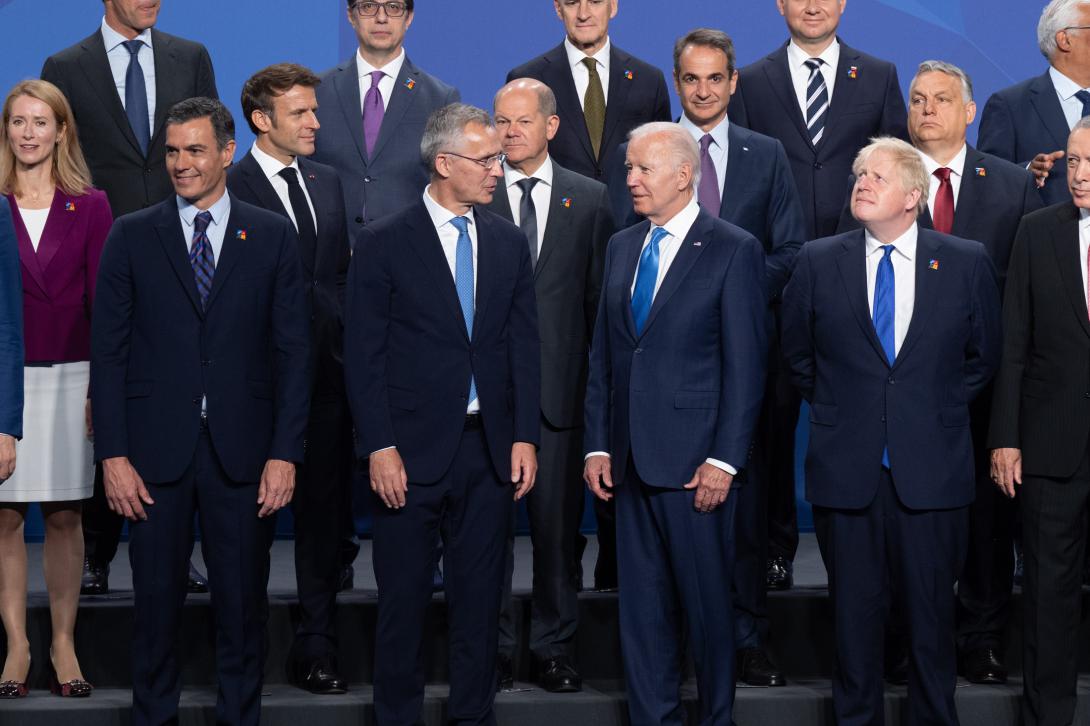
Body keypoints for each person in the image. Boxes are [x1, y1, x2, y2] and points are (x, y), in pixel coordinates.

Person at [91, 97, 310, 726]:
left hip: (245, 457)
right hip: (153, 458)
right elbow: (107, 356)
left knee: (242, 610)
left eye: (194, 151)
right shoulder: (133, 234)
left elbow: (294, 356)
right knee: (154, 611)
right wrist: (113, 455)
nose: (181, 164)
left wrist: (284, 453)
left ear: (226, 152)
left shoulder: (270, 236)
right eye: (172, 152)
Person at [608, 27, 805, 688]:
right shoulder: (644, 155)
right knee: (663, 555)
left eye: (714, 78)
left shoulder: (765, 153)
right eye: (690, 79)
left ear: (732, 82)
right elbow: (631, 252)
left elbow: (787, 249)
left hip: (743, 357)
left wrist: (731, 291)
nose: (702, 90)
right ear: (676, 81)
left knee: (740, 515)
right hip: (660, 368)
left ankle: (747, 635)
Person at [782, 137, 1001, 726]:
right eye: (859, 174)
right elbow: (798, 357)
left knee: (931, 625)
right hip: (847, 471)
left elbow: (983, 358)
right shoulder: (817, 259)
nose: (862, 183)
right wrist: (846, 407)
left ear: (913, 195)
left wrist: (928, 409)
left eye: (876, 175)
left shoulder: (964, 259)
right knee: (854, 626)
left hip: (931, 471)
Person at [837, 61, 1044, 685]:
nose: (928, 109)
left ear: (970, 111)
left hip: (984, 388)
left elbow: (1024, 291)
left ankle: (979, 638)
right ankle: (904, 641)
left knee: (987, 522)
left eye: (943, 99)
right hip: (900, 401)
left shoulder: (1010, 185)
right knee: (901, 526)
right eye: (919, 99)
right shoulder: (881, 182)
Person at [345, 103, 540, 726]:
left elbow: (522, 345)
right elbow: (363, 355)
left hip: (487, 452)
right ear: (443, 162)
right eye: (485, 160)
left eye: (498, 159)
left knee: (481, 604)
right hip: (405, 453)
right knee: (402, 603)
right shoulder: (382, 242)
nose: (497, 170)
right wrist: (378, 444)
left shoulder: (508, 241)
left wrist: (525, 437)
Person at [584, 122, 767, 726]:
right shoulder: (622, 245)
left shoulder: (733, 247)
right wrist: (596, 447)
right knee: (642, 612)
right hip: (630, 462)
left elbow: (746, 366)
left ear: (683, 176)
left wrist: (724, 459)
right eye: (629, 169)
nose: (629, 179)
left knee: (707, 611)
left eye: (642, 169)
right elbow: (606, 356)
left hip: (696, 468)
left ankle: (716, 717)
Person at [729, 1, 908, 592]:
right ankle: (776, 549)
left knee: (855, 421)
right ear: (780, 4)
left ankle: (854, 555)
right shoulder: (751, 81)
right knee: (773, 428)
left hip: (860, 283)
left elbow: (900, 168)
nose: (813, 5)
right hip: (778, 287)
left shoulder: (879, 75)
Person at [41, 0, 218, 596]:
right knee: (107, 393)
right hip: (101, 252)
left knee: (181, 394)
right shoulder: (66, 65)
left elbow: (209, 146)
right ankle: (97, 551)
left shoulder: (189, 56)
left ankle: (178, 547)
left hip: (184, 246)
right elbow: (66, 164)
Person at [508, 0, 670, 590]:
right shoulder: (528, 76)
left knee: (606, 422)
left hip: (624, 257)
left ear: (614, 6)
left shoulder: (647, 79)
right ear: (558, 8)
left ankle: (612, 561)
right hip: (556, 258)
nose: (584, 9)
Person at [226, 62, 353, 696]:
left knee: (323, 521)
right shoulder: (232, 186)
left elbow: (337, 277)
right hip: (258, 385)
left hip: (328, 380)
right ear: (261, 120)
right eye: (300, 112)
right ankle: (244, 651)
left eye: (313, 110)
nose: (314, 122)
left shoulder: (328, 182)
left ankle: (317, 645)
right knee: (250, 522)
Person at [487, 78, 614, 693]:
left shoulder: (589, 200)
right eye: (501, 122)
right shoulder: (475, 194)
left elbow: (597, 307)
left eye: (522, 122)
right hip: (486, 401)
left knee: (558, 539)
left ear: (551, 127)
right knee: (485, 536)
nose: (510, 133)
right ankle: (493, 649)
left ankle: (552, 648)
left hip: (559, 403)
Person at [0, 79, 113, 699]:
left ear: (61, 130)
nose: (29, 133)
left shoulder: (91, 205)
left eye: (41, 122)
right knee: (5, 517)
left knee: (67, 516)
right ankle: (16, 644)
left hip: (75, 378)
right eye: (18, 122)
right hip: (6, 380)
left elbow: (106, 304)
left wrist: (103, 387)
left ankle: (62, 642)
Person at [989, 116, 1090, 726]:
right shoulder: (1036, 231)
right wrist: (1005, 438)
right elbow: (1014, 344)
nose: (1079, 174)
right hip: (1050, 446)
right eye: (1074, 161)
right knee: (1048, 596)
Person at [312, 0, 460, 237]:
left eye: (393, 7)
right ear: (351, 15)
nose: (381, 17)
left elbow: (450, 186)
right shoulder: (317, 92)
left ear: (408, 17)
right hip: (330, 256)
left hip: (409, 253)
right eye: (369, 6)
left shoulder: (440, 98)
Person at [978, 0, 1090, 206]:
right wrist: (1027, 172)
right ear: (1064, 40)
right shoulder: (1010, 105)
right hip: (1047, 235)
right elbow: (982, 178)